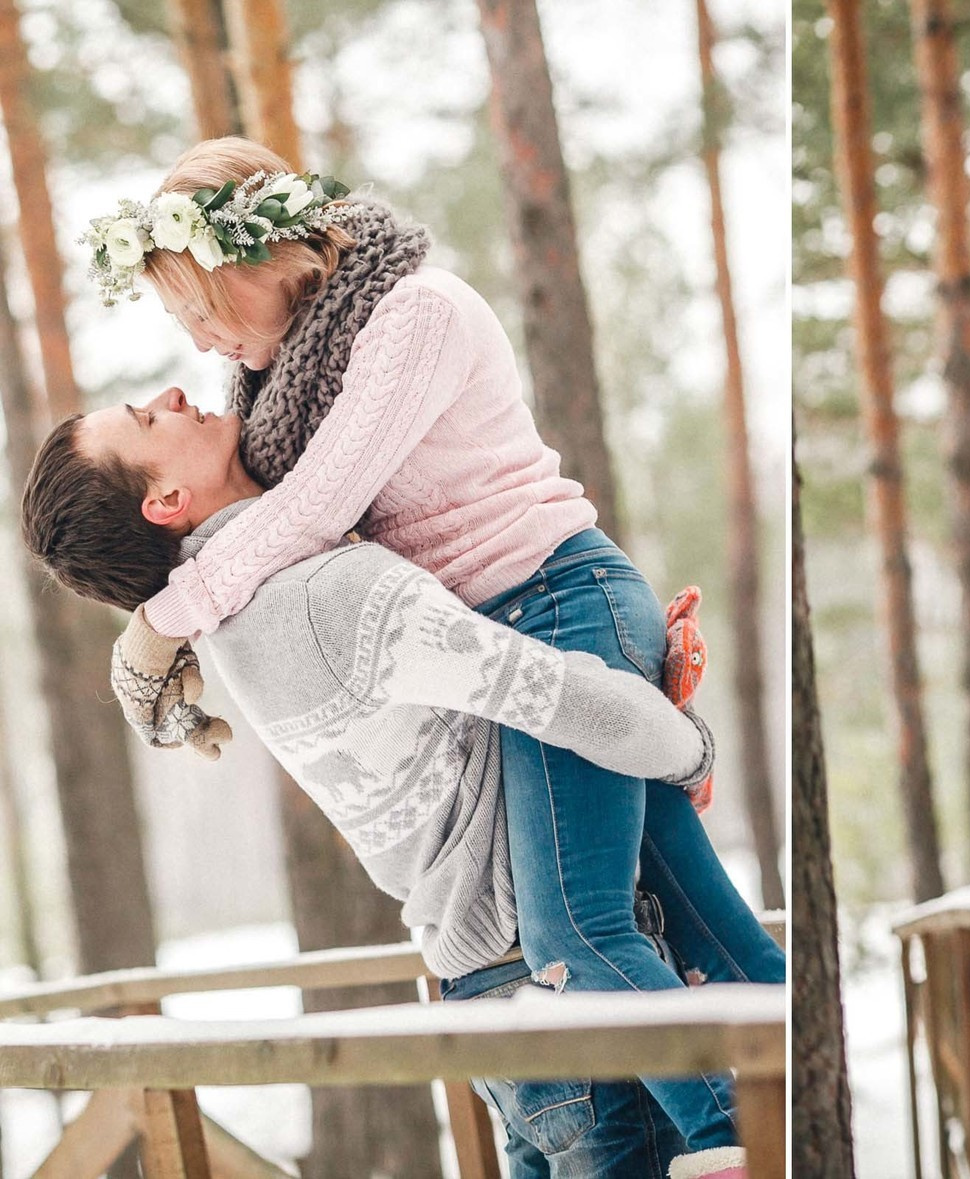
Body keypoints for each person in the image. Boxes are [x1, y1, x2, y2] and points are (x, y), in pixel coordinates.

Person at [62, 136, 778, 1178]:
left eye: (203, 308)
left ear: (268, 263)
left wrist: (158, 626)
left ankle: (739, 1143)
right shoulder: (276, 392)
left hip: (552, 602)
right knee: (705, 917)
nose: (199, 342)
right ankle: (791, 1099)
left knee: (578, 935)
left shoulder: (415, 317)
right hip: (514, 646)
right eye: (184, 323)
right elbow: (270, 544)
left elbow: (311, 513)